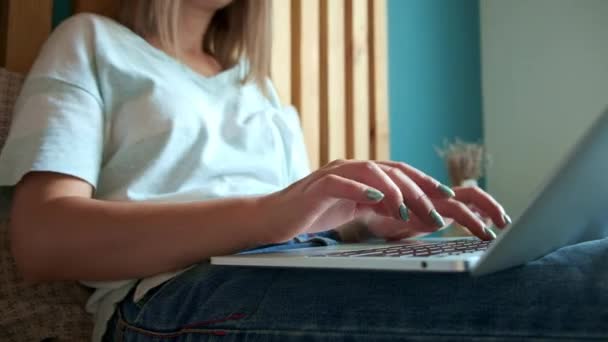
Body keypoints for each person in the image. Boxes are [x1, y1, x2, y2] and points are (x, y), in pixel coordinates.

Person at [0, 0, 605, 341]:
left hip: (287, 265)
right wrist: (268, 214)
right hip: (171, 295)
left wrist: (368, 227)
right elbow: (43, 240)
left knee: (565, 259)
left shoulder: (259, 89)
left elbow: (301, 232)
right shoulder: (91, 43)